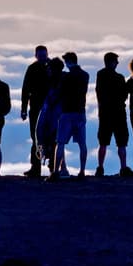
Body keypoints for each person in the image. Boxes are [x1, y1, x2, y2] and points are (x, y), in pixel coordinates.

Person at [51, 52, 90, 180]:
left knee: (60, 142)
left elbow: (59, 93)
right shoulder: (85, 75)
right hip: (80, 111)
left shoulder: (66, 77)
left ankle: (56, 172)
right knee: (82, 144)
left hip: (67, 112)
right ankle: (82, 171)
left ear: (68, 62)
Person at [95, 52, 132, 177]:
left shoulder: (100, 75)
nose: (117, 63)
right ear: (111, 62)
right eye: (116, 61)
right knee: (121, 142)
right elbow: (124, 95)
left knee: (103, 142)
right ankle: (123, 167)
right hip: (119, 113)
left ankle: (100, 167)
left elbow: (99, 93)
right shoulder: (120, 78)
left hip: (105, 113)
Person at [20, 45, 50, 178]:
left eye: (44, 54)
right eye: (40, 55)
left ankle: (53, 166)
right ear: (36, 55)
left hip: (50, 108)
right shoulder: (32, 69)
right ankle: (36, 167)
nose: (43, 57)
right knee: (36, 138)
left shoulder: (53, 67)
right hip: (36, 108)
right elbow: (25, 89)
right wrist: (24, 109)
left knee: (52, 138)